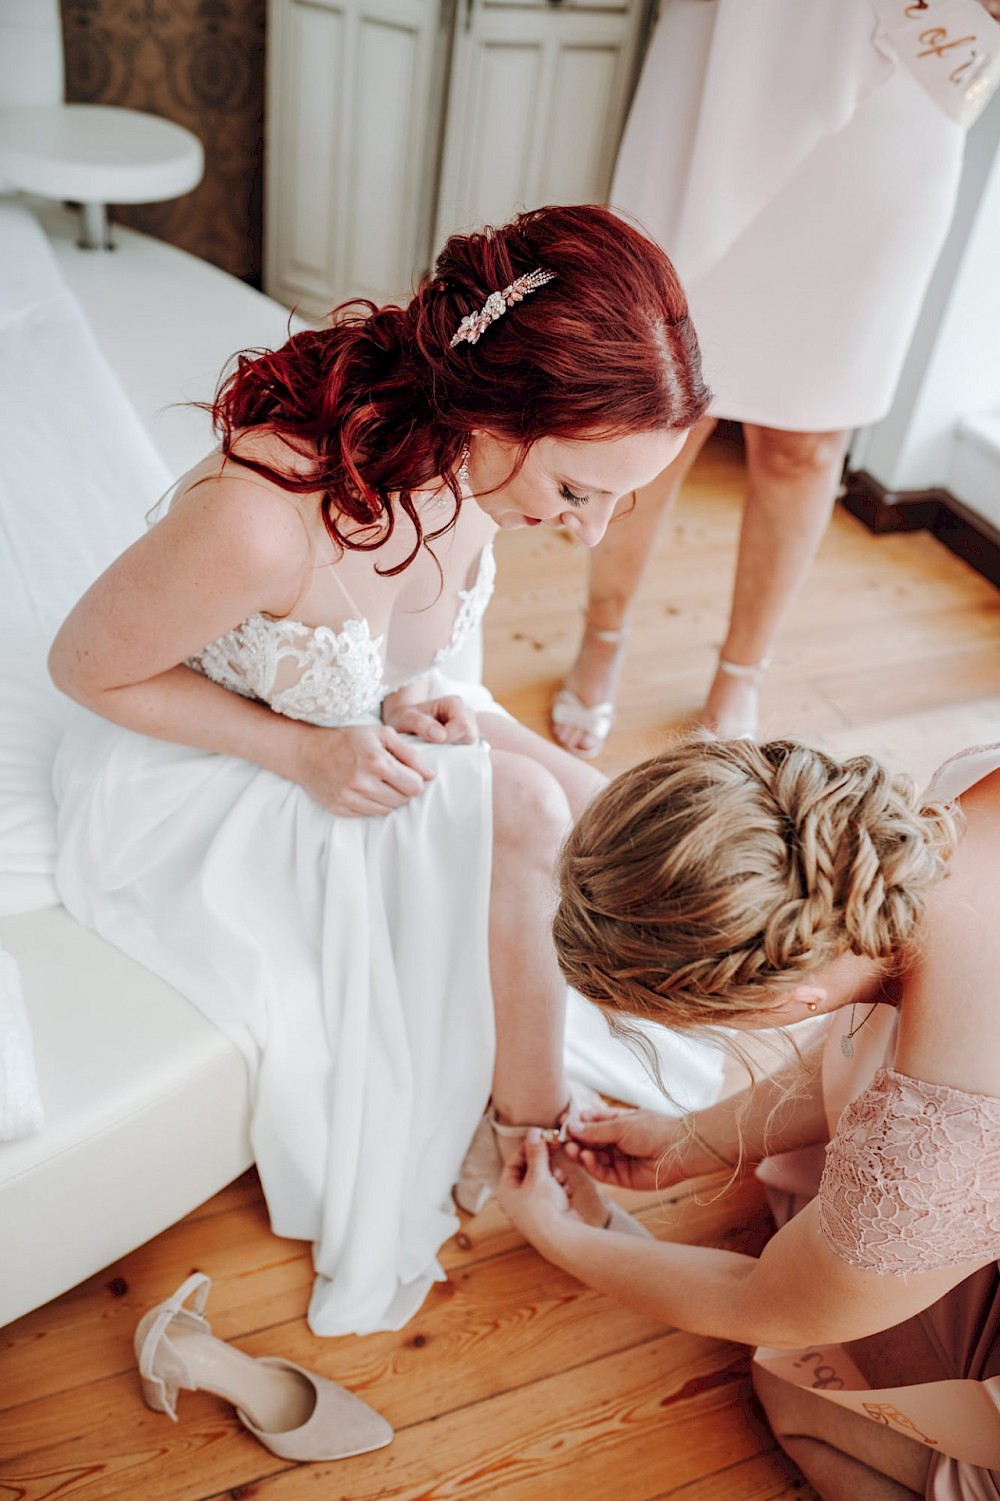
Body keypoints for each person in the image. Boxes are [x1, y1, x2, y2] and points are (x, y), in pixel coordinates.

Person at [46, 204, 710, 1337]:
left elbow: (412, 637)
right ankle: (534, 1136)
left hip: (358, 728)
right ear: (500, 410)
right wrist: (303, 746)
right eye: (575, 493)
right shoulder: (263, 519)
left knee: (584, 797)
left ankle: (528, 1121)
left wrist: (406, 692)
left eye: (617, 501)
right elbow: (85, 671)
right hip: (199, 778)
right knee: (528, 811)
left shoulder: (465, 454)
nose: (588, 534)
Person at [498, 737, 1000, 1499]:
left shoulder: (932, 1160)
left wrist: (560, 1236)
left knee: (794, 1390)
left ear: (784, 1002)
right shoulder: (935, 817)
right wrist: (686, 1142)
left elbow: (757, 1300)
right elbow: (876, 1032)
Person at [549, 0, 971, 755]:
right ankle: (603, 632)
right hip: (736, 58)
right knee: (657, 403)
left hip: (904, 86)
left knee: (806, 442)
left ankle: (742, 671)